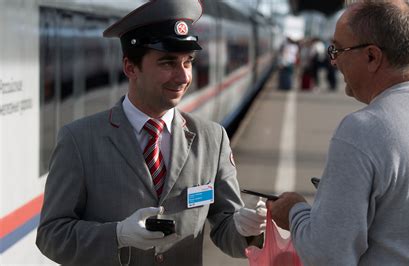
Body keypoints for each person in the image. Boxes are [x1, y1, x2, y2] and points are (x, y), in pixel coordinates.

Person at [36, 0, 266, 265]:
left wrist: (244, 230)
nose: (183, 77)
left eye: (188, 62)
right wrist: (117, 235)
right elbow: (51, 235)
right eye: (168, 63)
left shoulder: (212, 139)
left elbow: (226, 228)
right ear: (130, 68)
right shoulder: (79, 141)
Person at [268, 0, 409, 265]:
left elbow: (327, 255)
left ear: (372, 57)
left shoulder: (361, 130)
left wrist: (294, 212)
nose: (334, 61)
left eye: (338, 50)